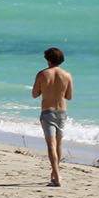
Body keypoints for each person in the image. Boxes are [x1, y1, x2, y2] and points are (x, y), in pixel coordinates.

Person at [31, 47, 74, 187]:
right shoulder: (67, 75)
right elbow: (69, 96)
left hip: (47, 111)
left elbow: (35, 94)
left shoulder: (42, 74)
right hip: (62, 112)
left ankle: (56, 175)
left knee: (51, 145)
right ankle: (55, 173)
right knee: (58, 144)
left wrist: (46, 89)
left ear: (48, 59)